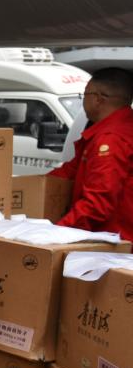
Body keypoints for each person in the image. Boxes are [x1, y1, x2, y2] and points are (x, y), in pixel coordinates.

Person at [48, 67, 133, 239]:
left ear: (98, 99)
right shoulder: (110, 132)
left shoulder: (111, 139)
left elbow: (97, 204)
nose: (83, 101)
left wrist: (55, 233)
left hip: (114, 245)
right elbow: (67, 173)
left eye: (84, 95)